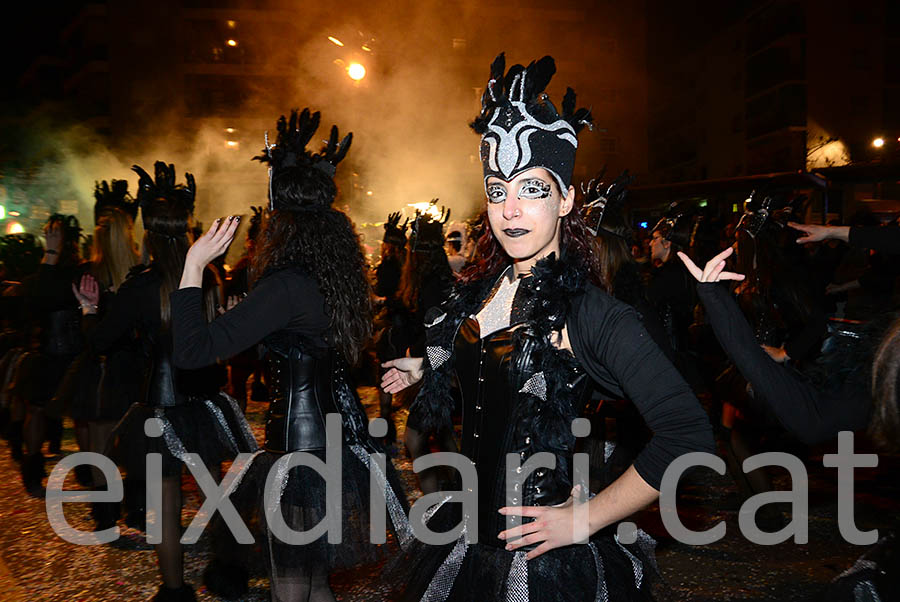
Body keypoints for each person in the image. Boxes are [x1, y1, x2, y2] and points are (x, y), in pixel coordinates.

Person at [382, 53, 715, 600]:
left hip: (540, 562)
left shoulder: (591, 312)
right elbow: (490, 355)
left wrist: (584, 520)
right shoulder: (486, 288)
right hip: (467, 539)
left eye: (532, 189)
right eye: (497, 191)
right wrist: (429, 364)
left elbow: (687, 433)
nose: (510, 210)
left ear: (566, 198)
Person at [169, 108, 410, 602]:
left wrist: (194, 264)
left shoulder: (286, 286)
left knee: (289, 583)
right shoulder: (334, 279)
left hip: (298, 450)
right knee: (314, 577)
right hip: (335, 440)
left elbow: (192, 351)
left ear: (281, 220)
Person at [73, 162, 257, 602]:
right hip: (206, 400)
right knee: (215, 491)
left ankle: (175, 592)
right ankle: (226, 569)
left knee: (166, 507)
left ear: (149, 233)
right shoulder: (210, 277)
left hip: (162, 405)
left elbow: (100, 342)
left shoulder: (142, 287)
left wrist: (88, 309)